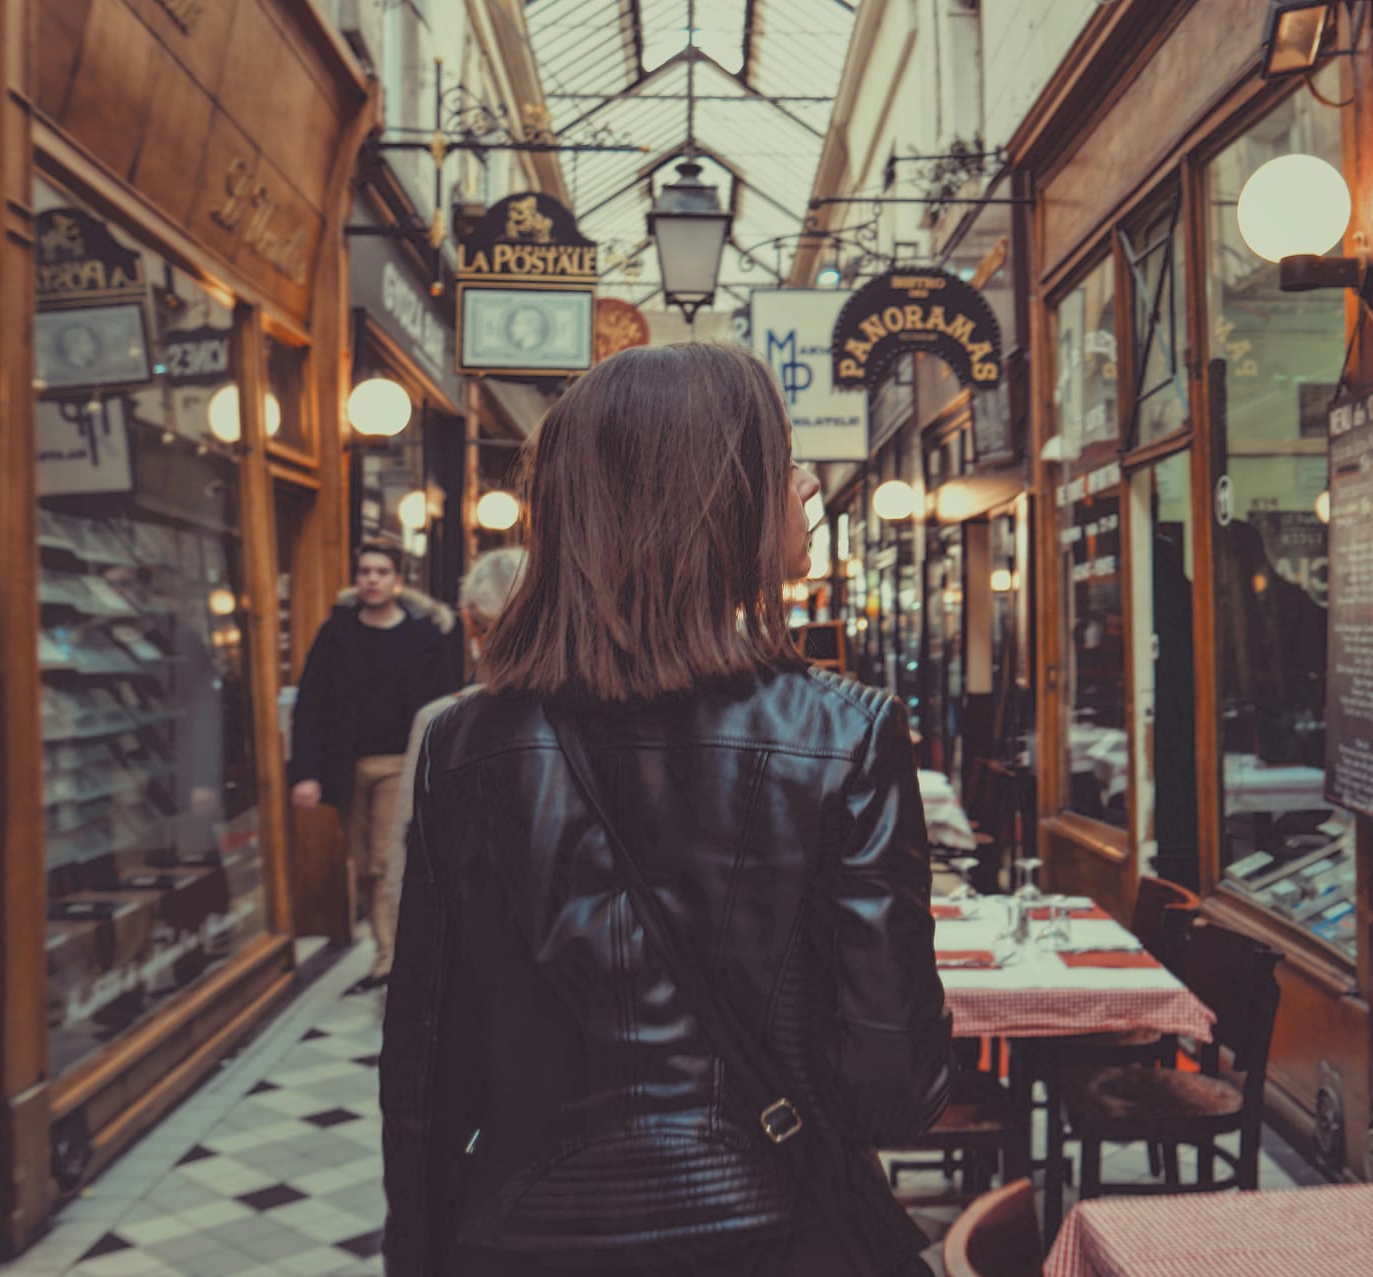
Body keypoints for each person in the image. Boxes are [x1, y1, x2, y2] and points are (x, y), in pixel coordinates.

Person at [382, 343, 951, 1277]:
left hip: (522, 1237)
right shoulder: (845, 734)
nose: (806, 484)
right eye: (781, 460)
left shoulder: (463, 744)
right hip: (775, 1236)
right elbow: (893, 1090)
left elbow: (426, 1071)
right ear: (713, 502)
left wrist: (417, 1255)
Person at [289, 541, 462, 993]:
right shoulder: (336, 634)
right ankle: (387, 951)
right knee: (364, 864)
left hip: (399, 764)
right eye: (365, 570)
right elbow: (311, 705)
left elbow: (447, 705)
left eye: (381, 571)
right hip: (348, 767)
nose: (372, 579)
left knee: (387, 859)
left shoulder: (424, 637)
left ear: (397, 581)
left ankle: (390, 961)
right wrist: (305, 772)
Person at [383, 546, 529, 944]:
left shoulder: (440, 722)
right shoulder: (595, 715)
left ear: (468, 622)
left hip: (471, 957)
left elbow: (408, 860)